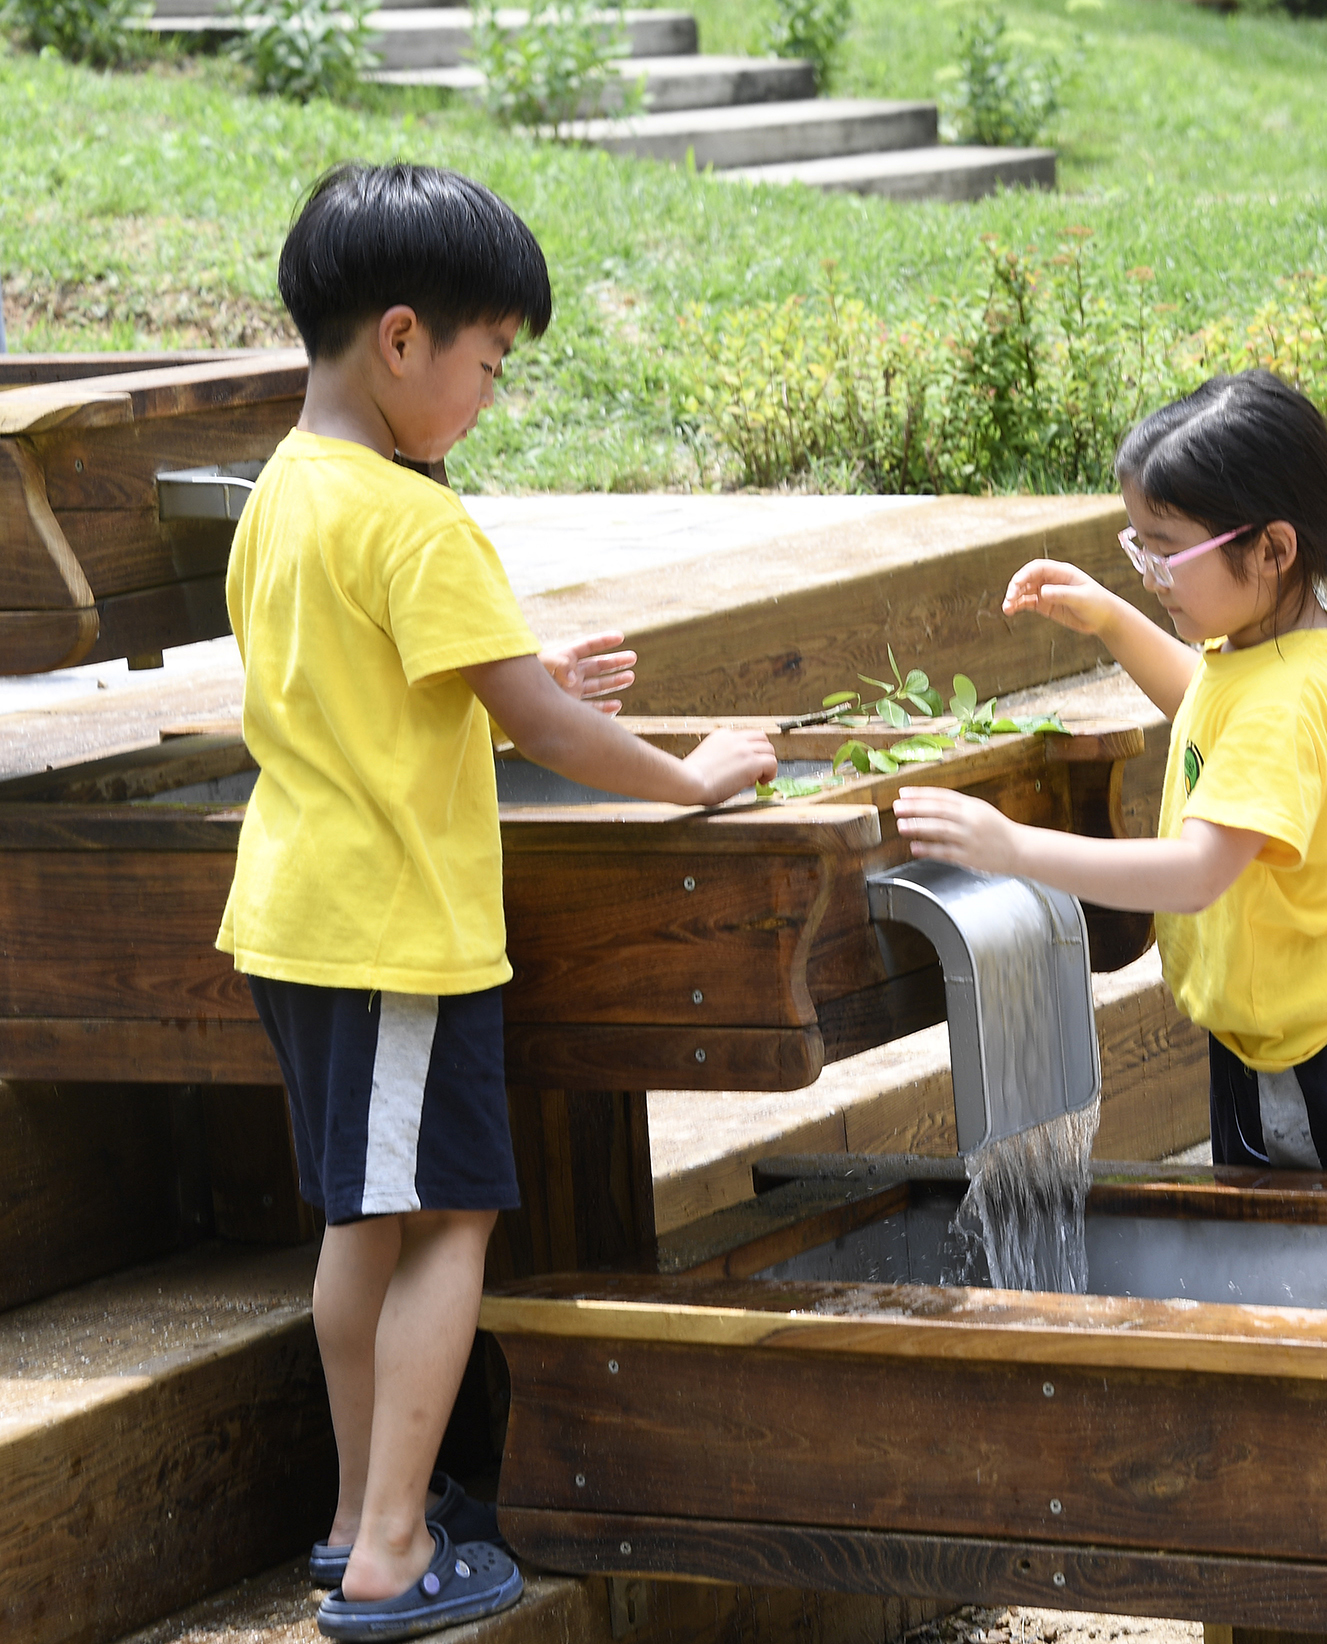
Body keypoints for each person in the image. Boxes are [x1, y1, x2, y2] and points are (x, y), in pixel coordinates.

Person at [220, 162, 777, 1643]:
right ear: (403, 339)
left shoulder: (285, 489)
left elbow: (397, 688)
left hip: (296, 916)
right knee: (450, 1219)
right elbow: (543, 729)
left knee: (364, 1220)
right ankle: (398, 1547)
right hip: (398, 932)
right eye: (489, 362)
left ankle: (356, 1517)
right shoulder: (417, 520)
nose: (487, 394)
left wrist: (518, 684)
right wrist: (689, 774)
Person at [894, 370, 1327, 1172]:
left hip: (1317, 1038)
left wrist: (1013, 849)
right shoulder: (1268, 647)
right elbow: (1201, 705)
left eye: (1167, 552)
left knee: (1317, 1258)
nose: (1148, 572)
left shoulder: (1286, 698)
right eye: (1137, 544)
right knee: (1269, 1250)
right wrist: (1112, 620)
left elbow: (1194, 873)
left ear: (1273, 548)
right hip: (1285, 1015)